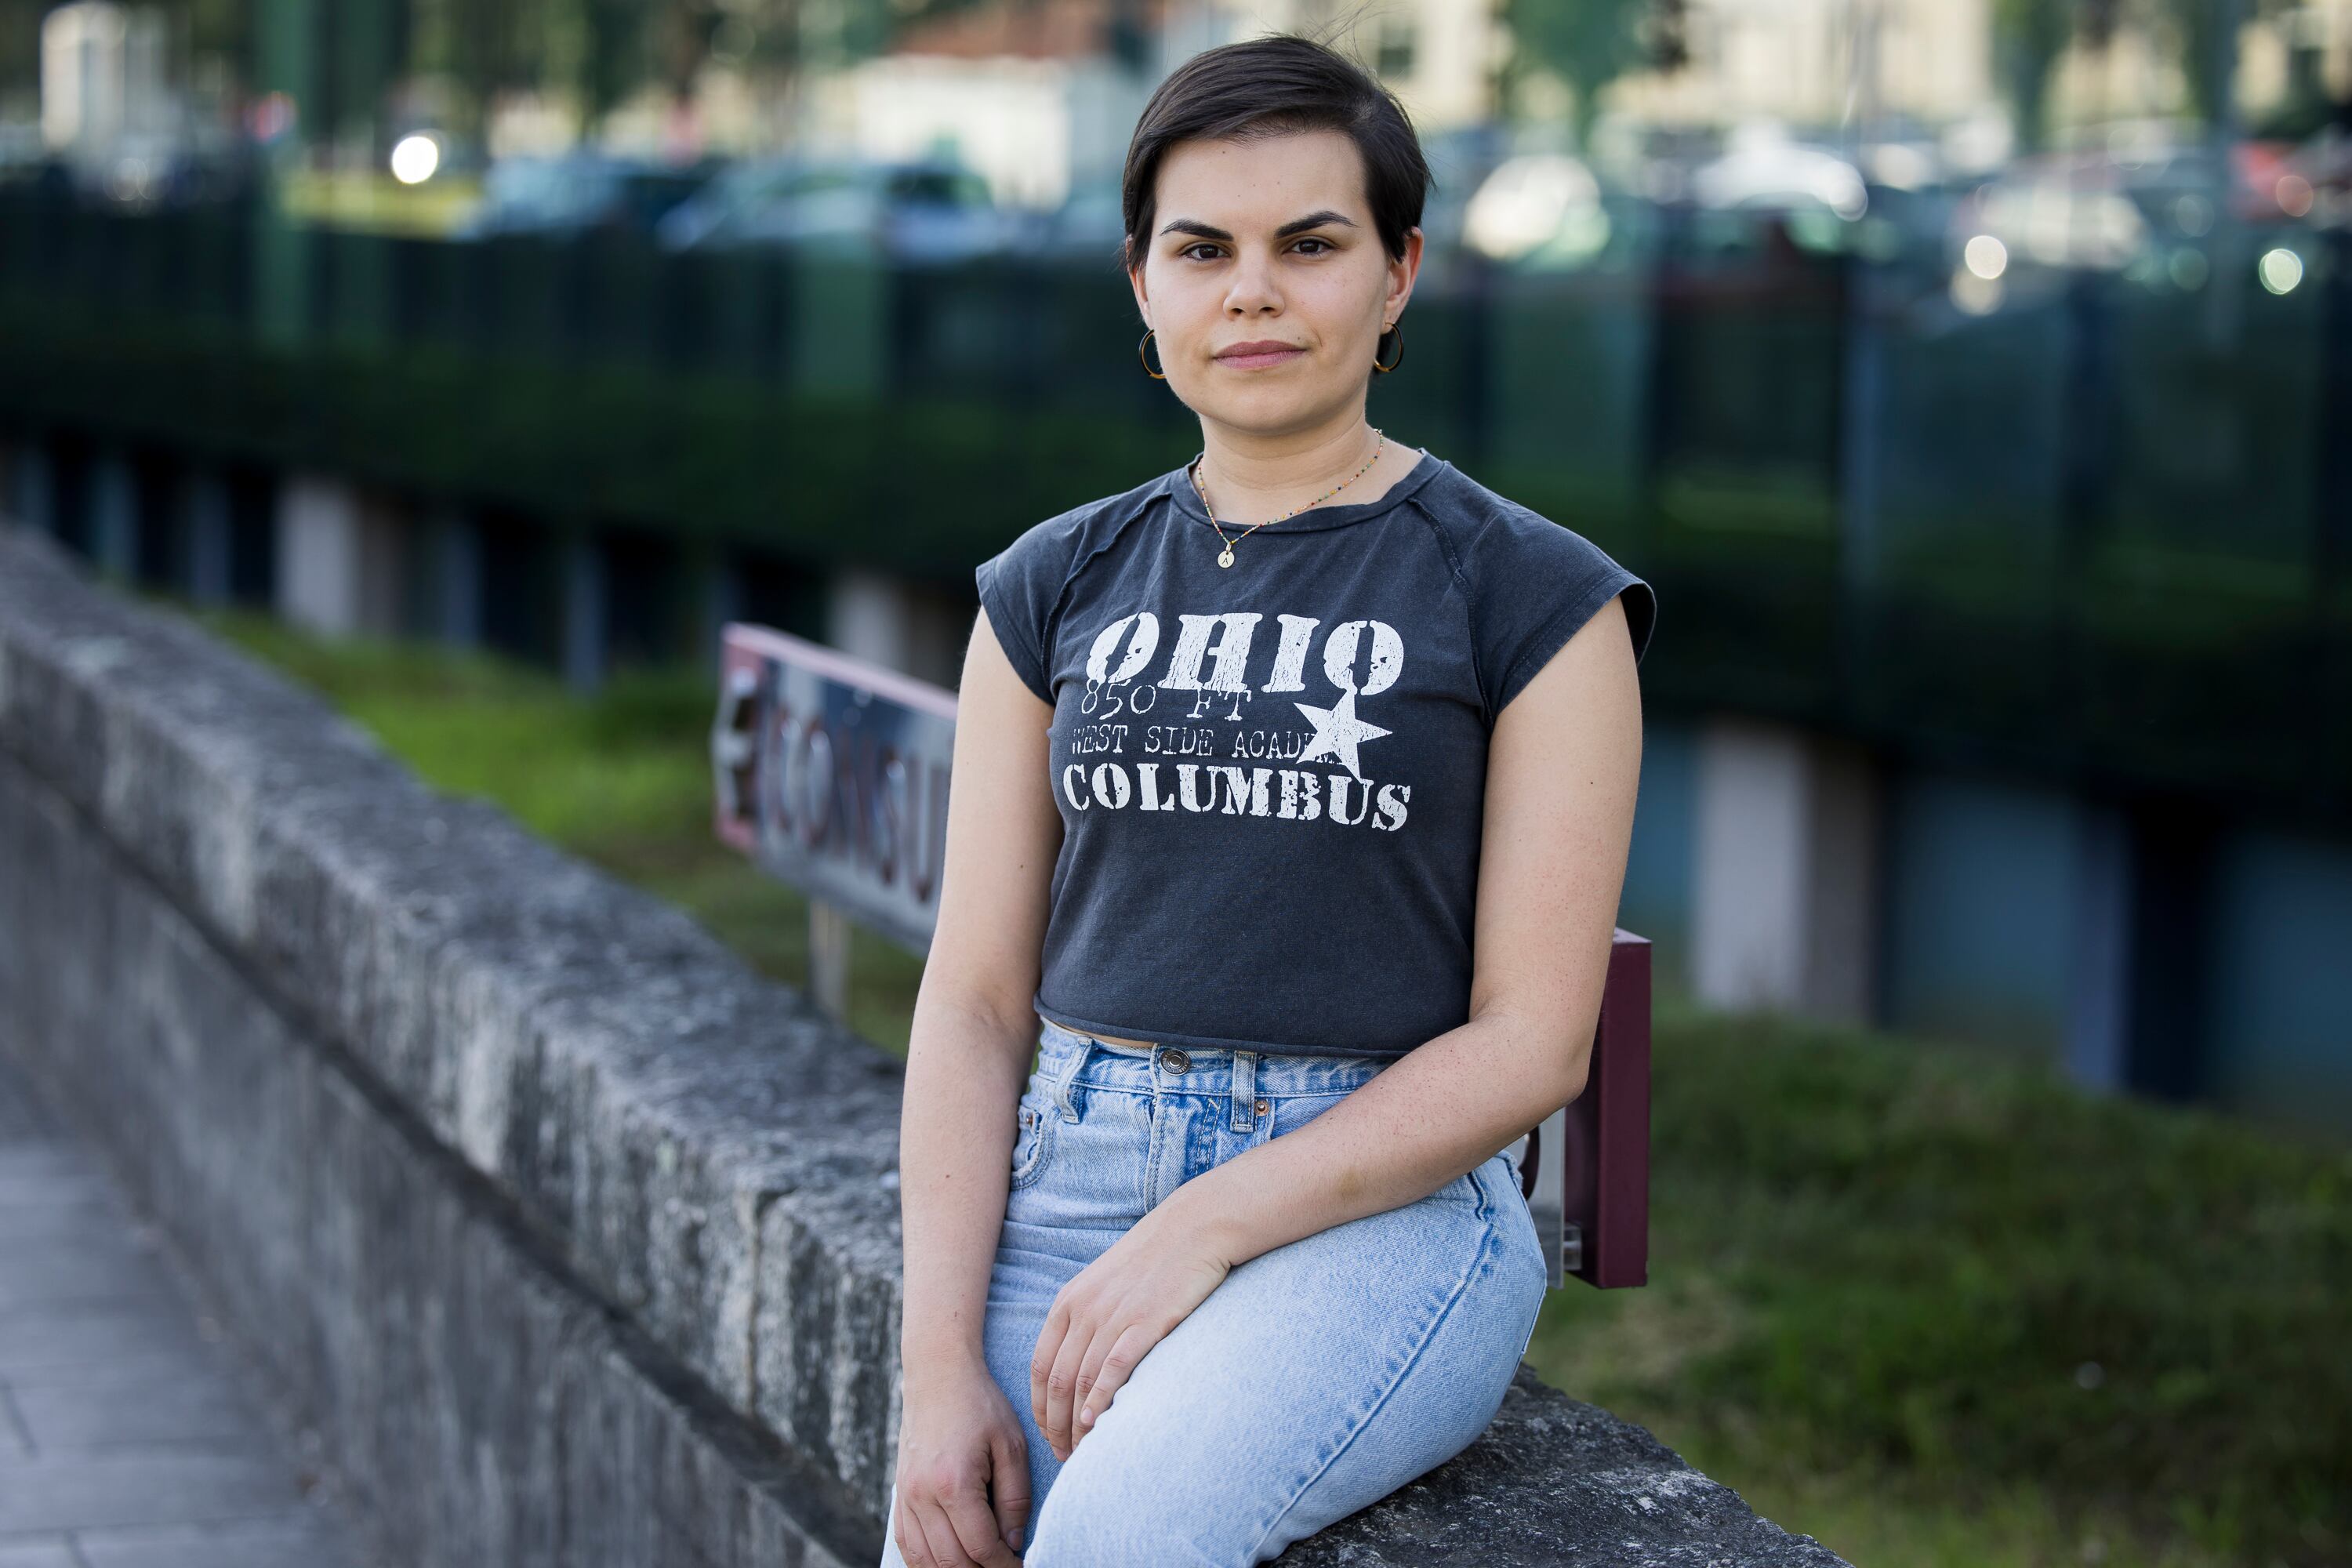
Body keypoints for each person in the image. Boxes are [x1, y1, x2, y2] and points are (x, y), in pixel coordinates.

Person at [883, 31, 1656, 1568]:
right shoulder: (1051, 585)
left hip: (1380, 1212)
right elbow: (973, 999)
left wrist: (1205, 1226)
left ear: (1398, 273)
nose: (1253, 290)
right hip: (1069, 1170)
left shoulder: (1533, 596)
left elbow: (1533, 1041)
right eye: (1203, 248)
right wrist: (931, 1369)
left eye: (1311, 243)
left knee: (1112, 1545)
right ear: (1143, 286)